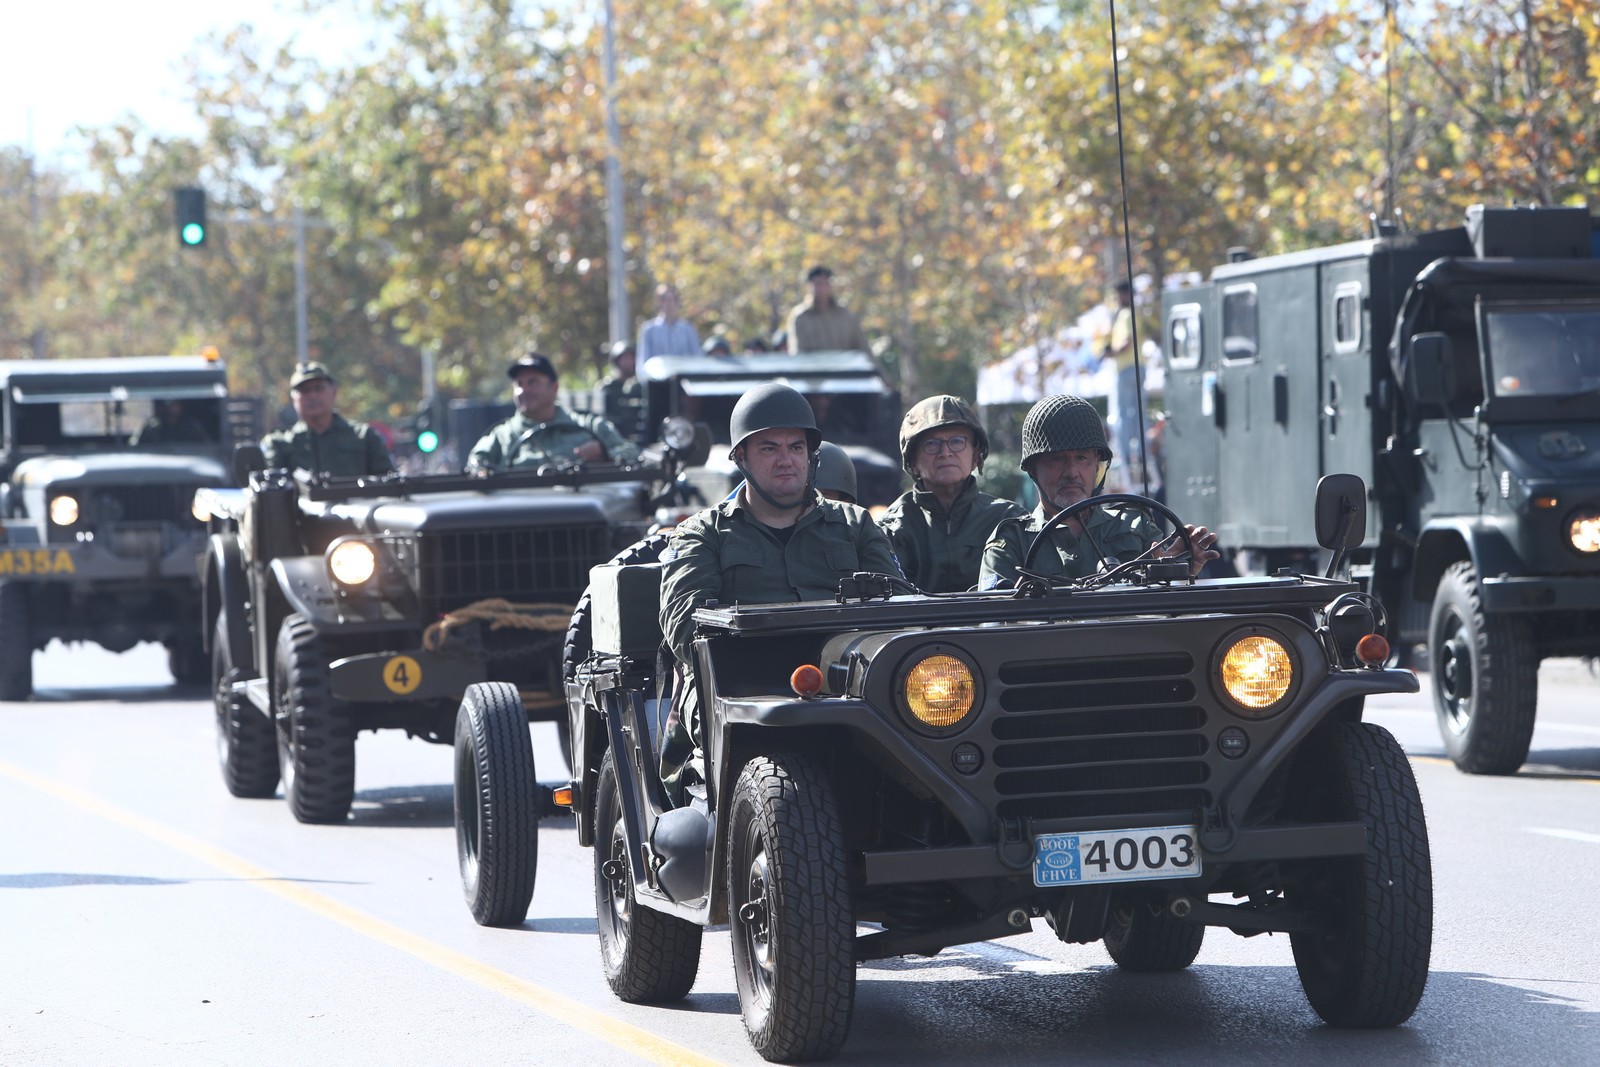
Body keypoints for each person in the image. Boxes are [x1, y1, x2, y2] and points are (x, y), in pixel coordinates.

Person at [657, 383, 900, 792]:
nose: (786, 460)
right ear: (741, 458)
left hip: (848, 684)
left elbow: (898, 608)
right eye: (769, 448)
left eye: (796, 447)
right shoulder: (703, 534)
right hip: (738, 687)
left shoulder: (856, 526)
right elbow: (686, 627)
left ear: (811, 455)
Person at [979, 394, 1217, 588]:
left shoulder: (1135, 527)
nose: (1072, 471)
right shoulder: (1011, 543)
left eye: (1082, 458)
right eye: (1057, 459)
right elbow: (996, 625)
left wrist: (1178, 574)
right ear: (1033, 469)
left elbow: (1168, 617)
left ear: (1097, 466)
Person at [878, 395, 1025, 593]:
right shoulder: (893, 527)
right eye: (931, 444)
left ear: (975, 456)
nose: (945, 452)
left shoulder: (1008, 519)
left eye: (957, 441)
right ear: (912, 461)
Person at [468, 352, 640, 472]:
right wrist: (482, 471)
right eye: (519, 384)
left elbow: (633, 454)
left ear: (554, 388)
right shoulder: (501, 437)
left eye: (533, 382)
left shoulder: (590, 426)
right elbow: (475, 465)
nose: (524, 390)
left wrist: (606, 454)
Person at [261, 362, 394, 477]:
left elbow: (388, 486)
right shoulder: (280, 444)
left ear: (334, 392)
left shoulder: (364, 437)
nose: (312, 396)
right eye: (304, 390)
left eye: (319, 388)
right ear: (293, 398)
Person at [1104, 279, 1144, 477]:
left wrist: (1111, 352)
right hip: (1134, 368)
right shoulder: (1128, 314)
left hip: (1127, 368)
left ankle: (1125, 455)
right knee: (1134, 413)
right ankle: (1136, 453)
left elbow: (1126, 343)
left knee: (1121, 414)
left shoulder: (1127, 315)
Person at [786, 265, 870, 354]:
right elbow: (797, 352)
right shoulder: (800, 317)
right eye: (816, 284)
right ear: (809, 286)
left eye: (823, 283)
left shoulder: (845, 316)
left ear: (829, 286)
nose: (820, 289)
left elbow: (862, 348)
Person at [592, 340, 645, 442]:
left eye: (631, 358)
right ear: (617, 361)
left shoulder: (639, 388)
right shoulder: (607, 387)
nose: (629, 362)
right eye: (625, 359)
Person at [637, 284, 701, 359]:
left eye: (671, 300)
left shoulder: (688, 329)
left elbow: (697, 357)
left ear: (676, 302)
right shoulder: (649, 329)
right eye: (665, 300)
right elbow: (643, 359)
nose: (669, 304)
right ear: (659, 303)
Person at [132, 398, 211, 446]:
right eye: (165, 405)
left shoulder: (191, 427)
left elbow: (206, 447)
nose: (169, 408)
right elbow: (137, 447)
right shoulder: (152, 427)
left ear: (180, 406)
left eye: (173, 404)